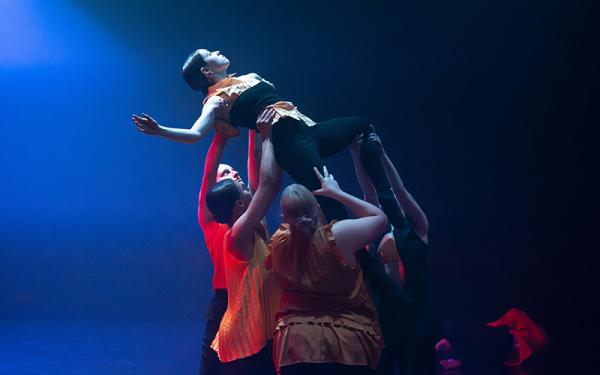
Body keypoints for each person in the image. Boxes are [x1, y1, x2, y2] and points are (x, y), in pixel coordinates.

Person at [131, 48, 392, 222]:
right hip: (289, 143)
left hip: (308, 128)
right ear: (206, 72)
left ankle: (393, 215)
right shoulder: (215, 100)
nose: (217, 51)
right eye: (209, 53)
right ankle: (369, 273)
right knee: (333, 206)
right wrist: (160, 130)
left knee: (363, 126)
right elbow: (195, 133)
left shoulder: (249, 77)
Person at [267, 166, 387, 375]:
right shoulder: (338, 235)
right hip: (346, 344)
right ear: (316, 207)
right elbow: (379, 218)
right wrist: (336, 193)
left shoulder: (277, 243)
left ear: (283, 214)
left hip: (295, 346)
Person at [350, 132, 443, 375]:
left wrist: (382, 153)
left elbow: (399, 190)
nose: (392, 202)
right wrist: (356, 153)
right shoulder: (375, 234)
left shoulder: (418, 231)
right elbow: (367, 193)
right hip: (386, 324)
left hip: (418, 324)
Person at [206, 108, 281, 374]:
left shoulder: (251, 224)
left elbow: (258, 179)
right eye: (239, 185)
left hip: (258, 331)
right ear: (238, 203)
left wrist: (255, 131)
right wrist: (268, 137)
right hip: (242, 334)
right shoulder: (236, 234)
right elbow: (268, 183)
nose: (244, 183)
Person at [196, 126, 261, 374]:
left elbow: (256, 171)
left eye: (234, 170)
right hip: (225, 297)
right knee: (212, 366)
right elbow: (209, 171)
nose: (234, 172)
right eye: (226, 172)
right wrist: (220, 138)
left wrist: (254, 128)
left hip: (254, 296)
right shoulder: (210, 218)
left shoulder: (249, 210)